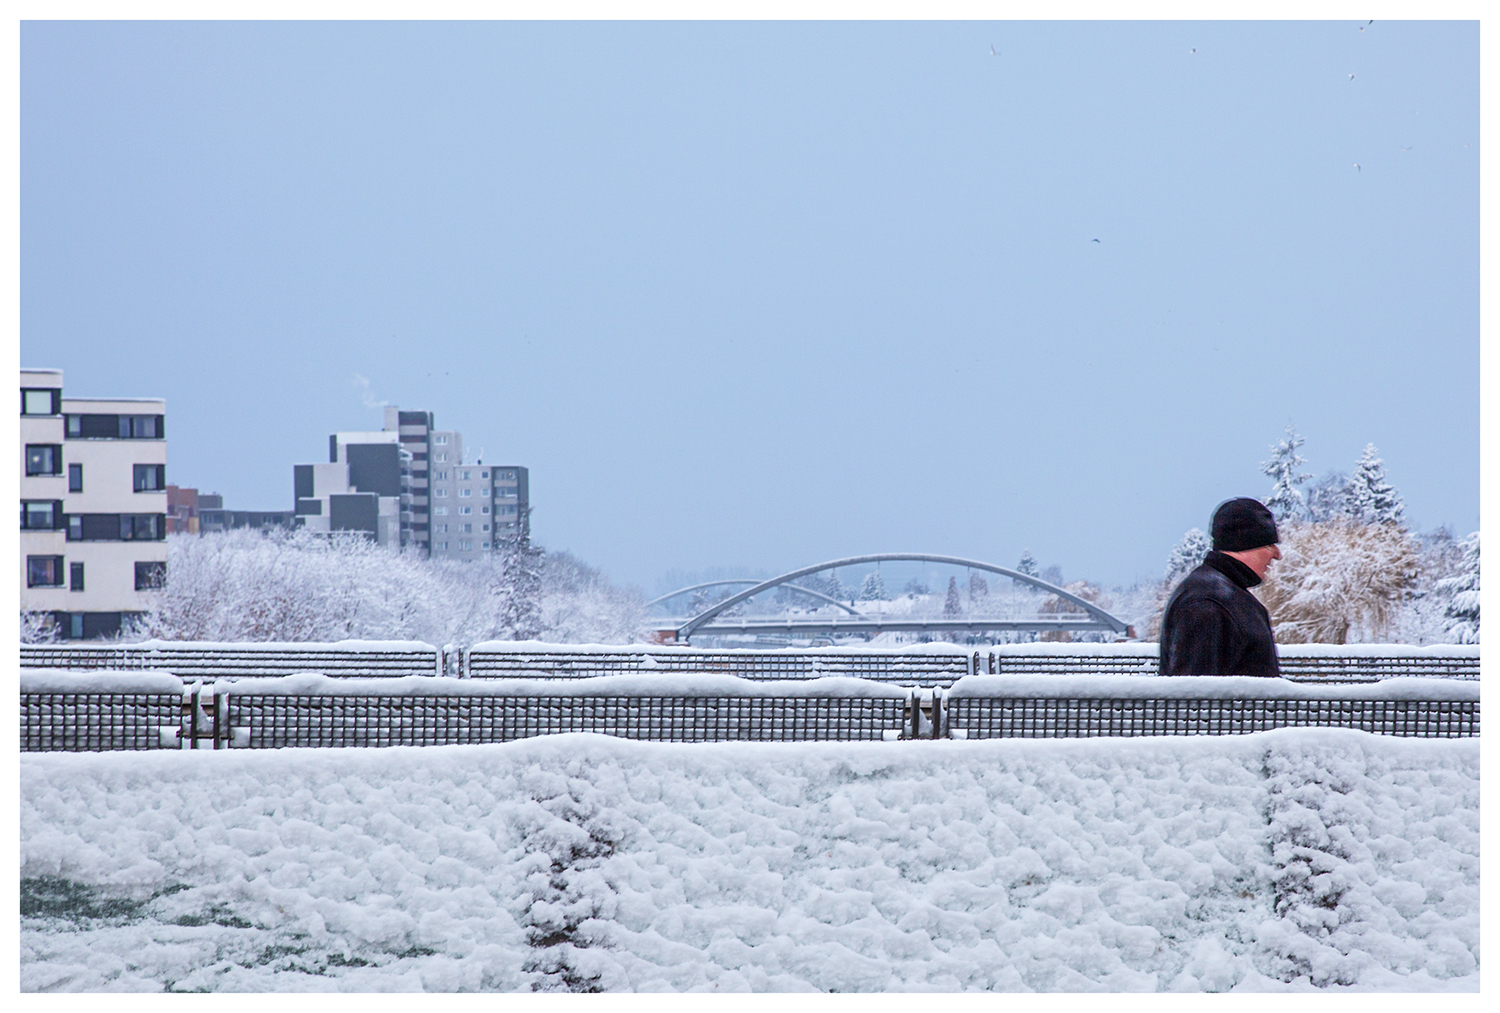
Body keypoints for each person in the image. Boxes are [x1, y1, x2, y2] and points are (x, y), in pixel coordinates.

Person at [1159, 497, 1282, 677]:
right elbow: (1194, 695)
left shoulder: (1220, 595)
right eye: (1269, 544)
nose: (1277, 555)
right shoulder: (1207, 603)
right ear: (1245, 544)